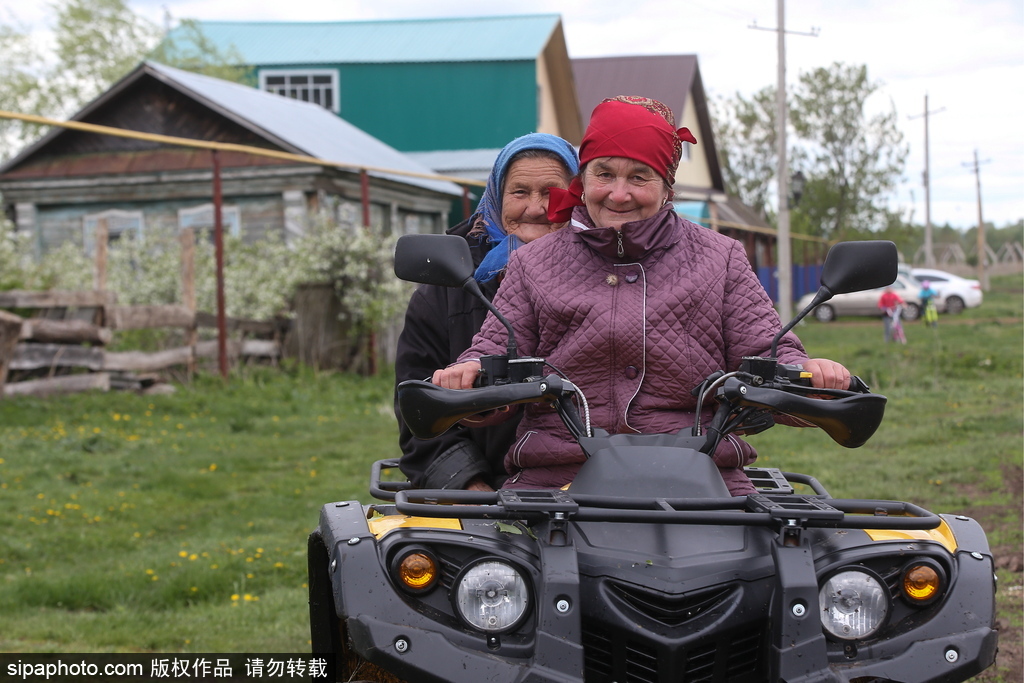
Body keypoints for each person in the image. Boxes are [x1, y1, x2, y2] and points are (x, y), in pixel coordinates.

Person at [432, 96, 851, 496]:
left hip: (704, 478)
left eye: (639, 176)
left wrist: (807, 373)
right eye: (604, 174)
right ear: (583, 180)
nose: (619, 194)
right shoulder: (533, 263)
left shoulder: (720, 258)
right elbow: (494, 352)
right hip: (557, 480)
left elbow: (767, 351)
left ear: (667, 187)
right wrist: (469, 375)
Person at [395, 133, 579, 491]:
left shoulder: (613, 273)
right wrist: (469, 485)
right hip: (493, 493)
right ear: (496, 196)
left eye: (551, 192)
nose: (535, 208)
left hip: (599, 487)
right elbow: (417, 407)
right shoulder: (449, 290)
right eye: (520, 192)